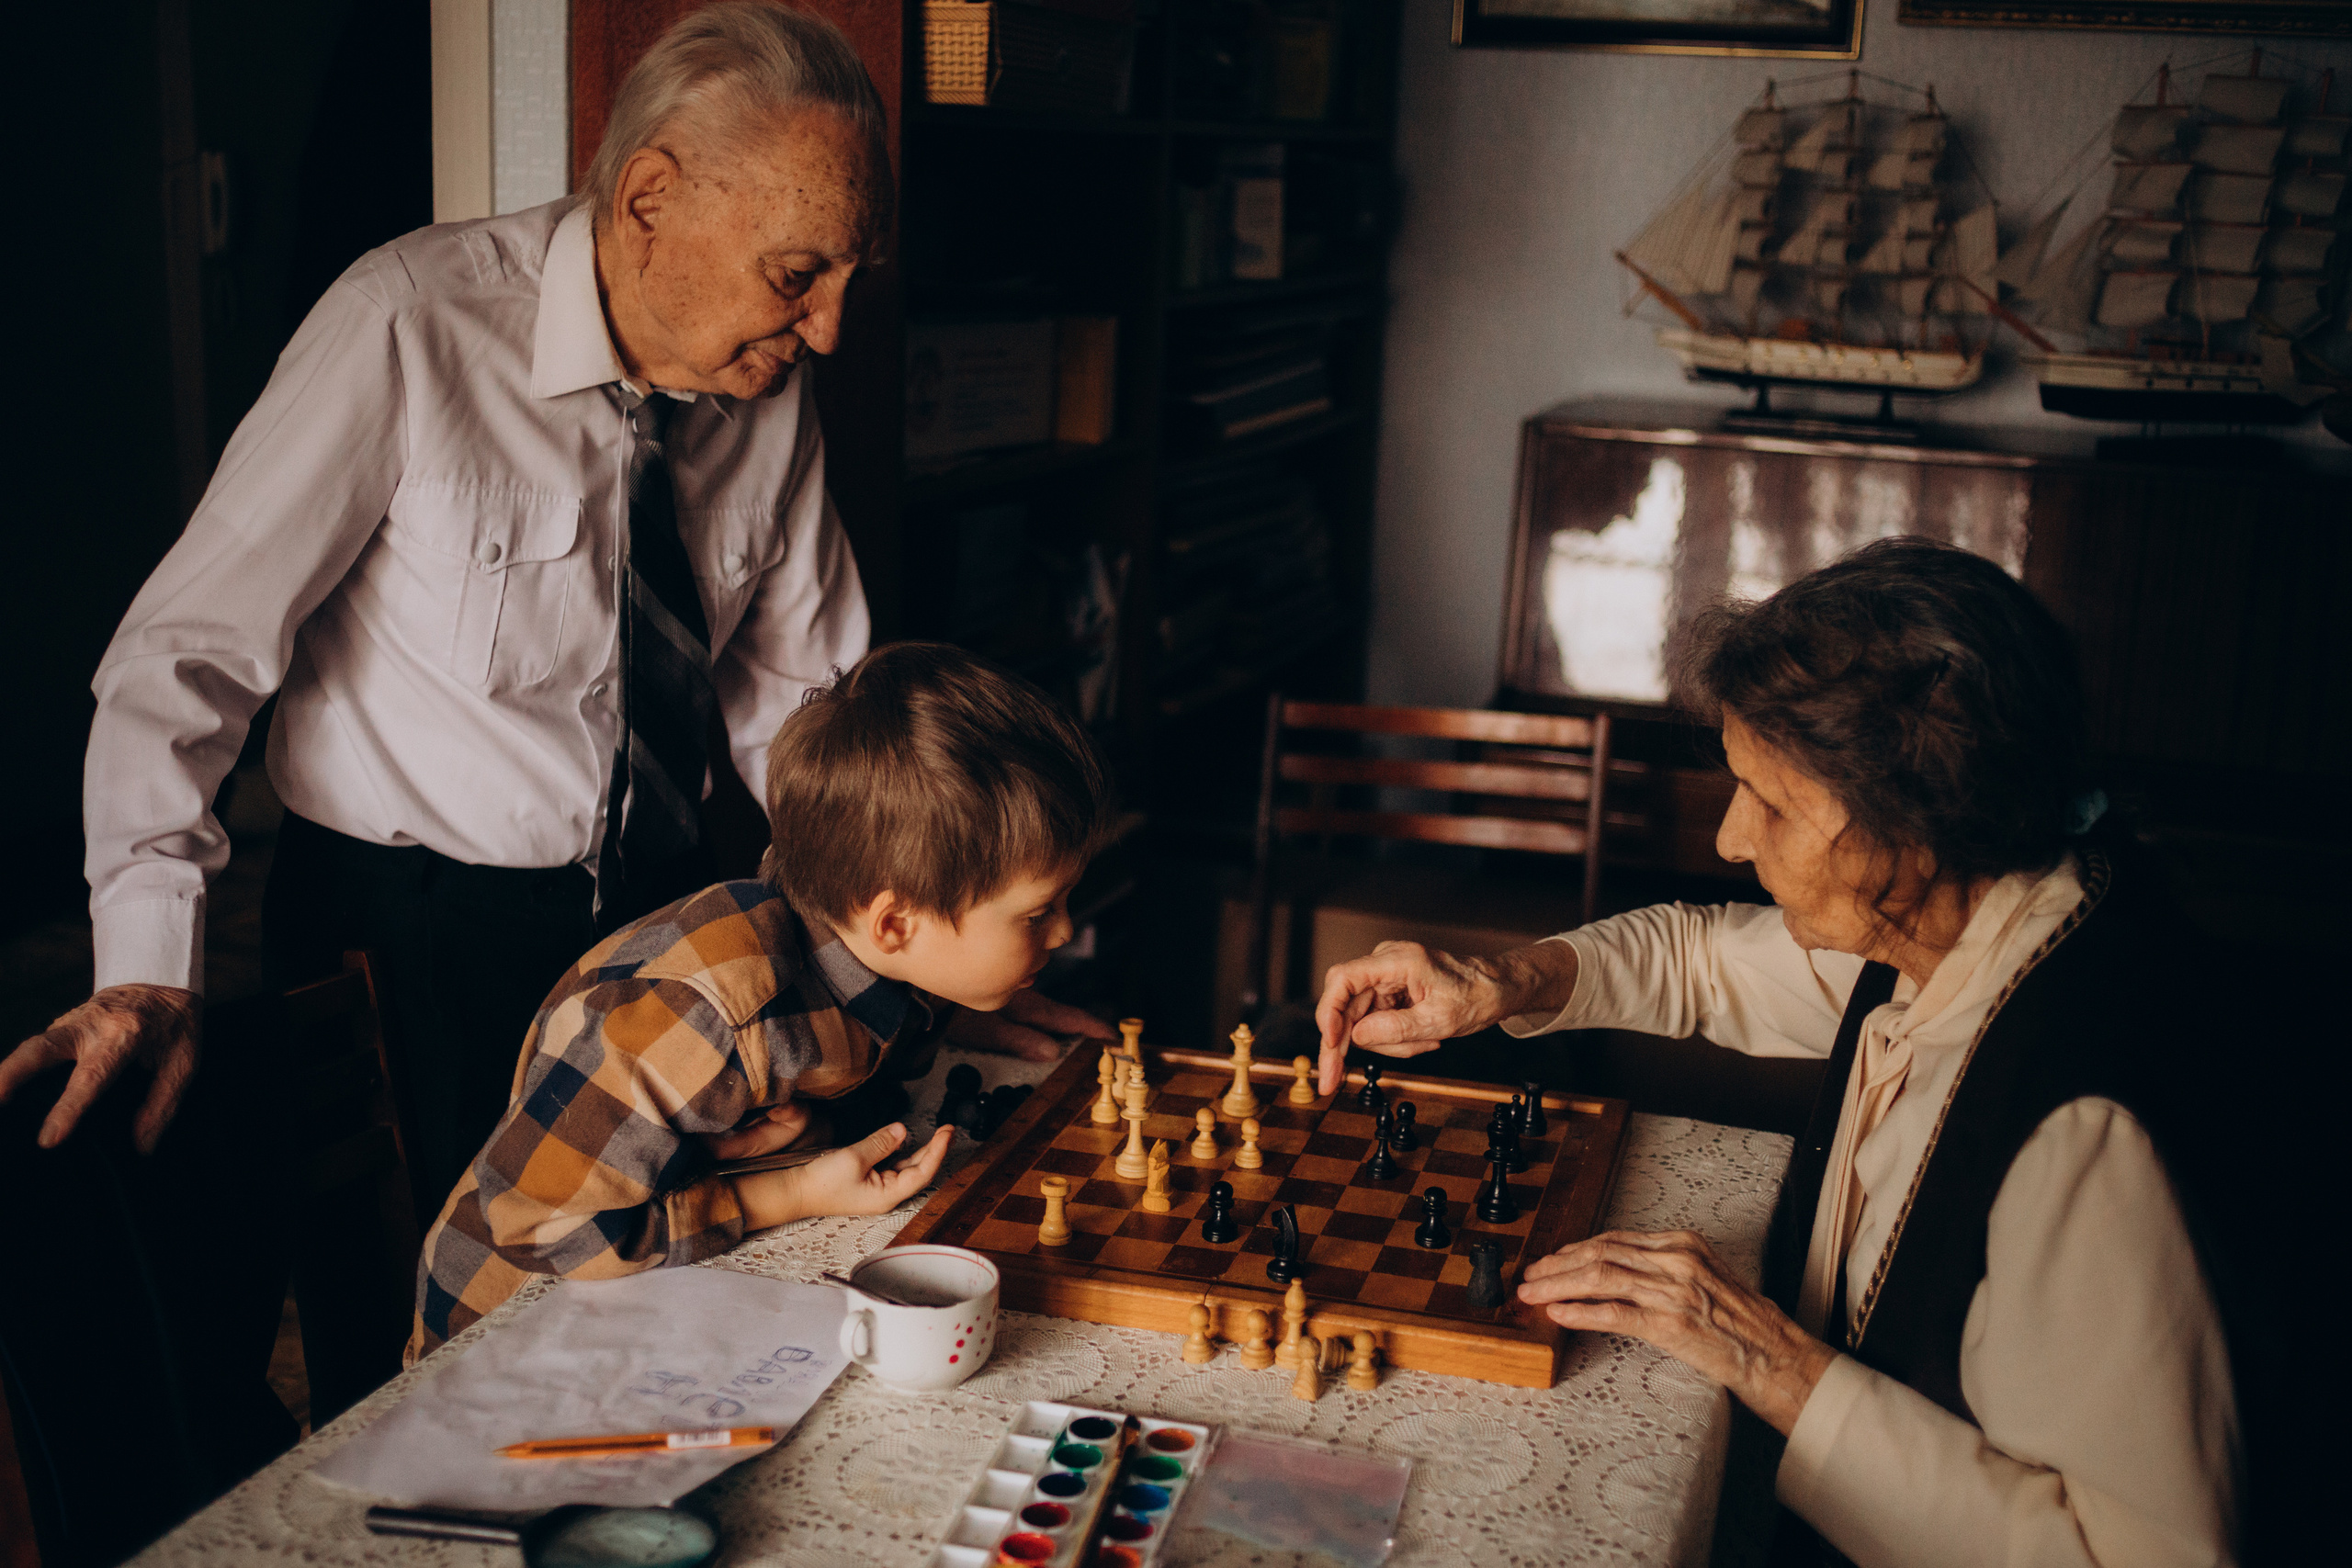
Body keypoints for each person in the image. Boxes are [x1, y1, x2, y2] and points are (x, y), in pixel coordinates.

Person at [0, 3, 1100, 1201]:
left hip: (664, 919)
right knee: (434, 1294)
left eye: (849, 277)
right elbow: (186, 657)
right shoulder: (406, 325)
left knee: (666, 1266)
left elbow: (811, 705)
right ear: (648, 200)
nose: (830, 328)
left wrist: (934, 939)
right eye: (797, 275)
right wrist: (147, 965)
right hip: (412, 935)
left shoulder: (766, 380)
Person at [1313, 539, 2237, 1568]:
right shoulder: (1955, 917)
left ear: (1913, 827)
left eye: (1773, 803)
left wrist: (1769, 1361)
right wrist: (1497, 982)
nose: (1730, 838)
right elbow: (1696, 959)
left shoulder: (2083, 1134)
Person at [410, 642, 1115, 1360]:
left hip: (648, 1300)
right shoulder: (707, 1017)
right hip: (501, 1333)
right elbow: (542, 1226)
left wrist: (963, 1008)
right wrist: (791, 1193)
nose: (1065, 931)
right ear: (895, 923)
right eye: (1038, 913)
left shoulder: (879, 954)